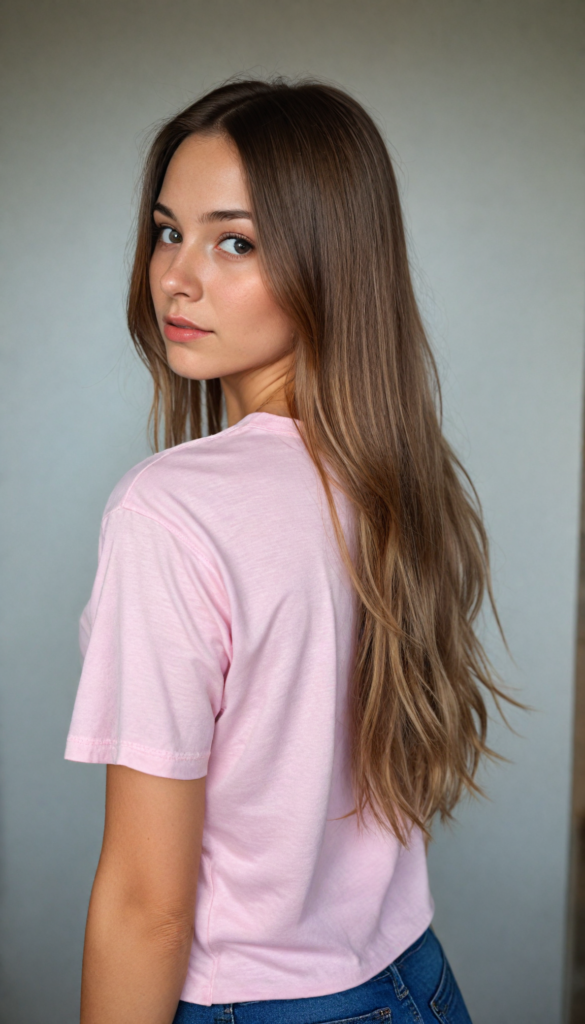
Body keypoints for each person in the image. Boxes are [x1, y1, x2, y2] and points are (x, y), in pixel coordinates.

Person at [65, 77, 512, 1024]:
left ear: (328, 263)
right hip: (418, 986)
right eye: (166, 230)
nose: (177, 276)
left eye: (235, 241)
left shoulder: (168, 512)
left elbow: (148, 906)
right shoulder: (391, 475)